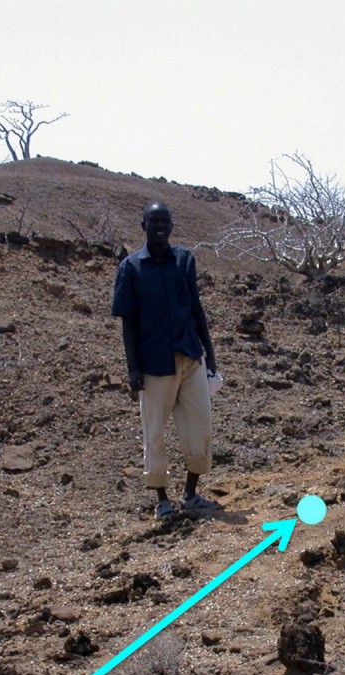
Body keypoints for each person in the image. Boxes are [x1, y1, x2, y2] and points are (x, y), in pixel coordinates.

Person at [111, 201, 219, 518]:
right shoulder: (130, 268)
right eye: (153, 220)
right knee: (154, 433)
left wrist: (209, 353)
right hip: (154, 363)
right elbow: (128, 321)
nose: (159, 226)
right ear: (143, 224)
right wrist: (133, 367)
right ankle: (162, 501)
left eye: (165, 221)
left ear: (171, 226)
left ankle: (190, 494)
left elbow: (195, 308)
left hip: (190, 355)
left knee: (200, 426)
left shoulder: (184, 260)